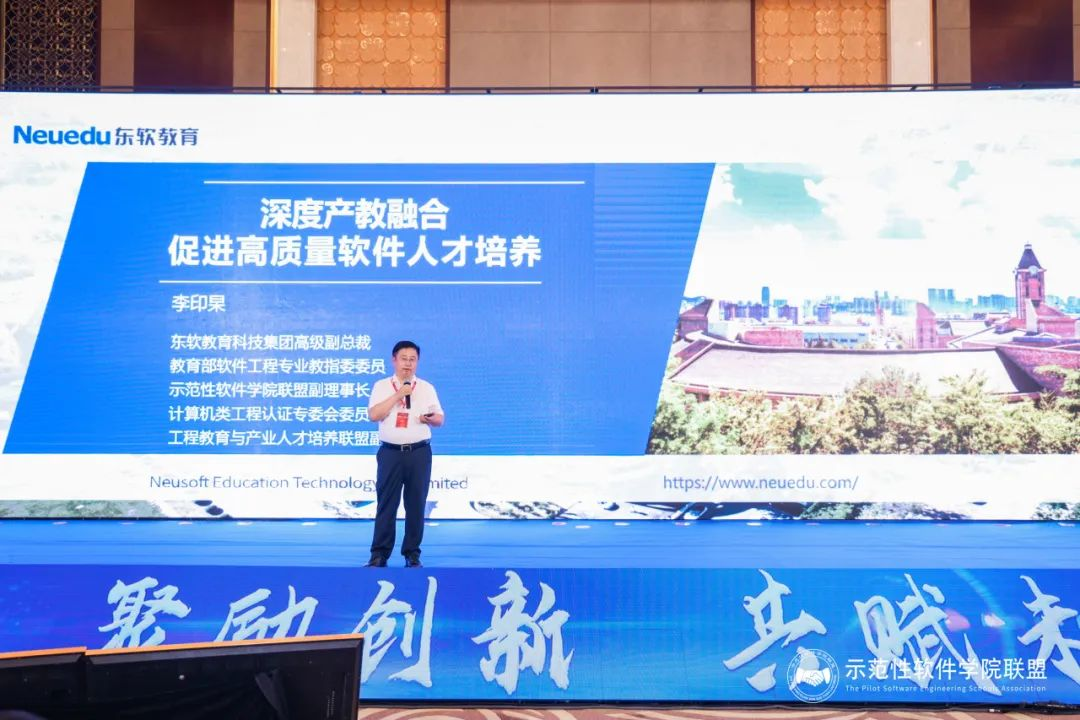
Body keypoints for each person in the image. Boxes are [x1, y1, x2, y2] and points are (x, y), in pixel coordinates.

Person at [365, 340, 444, 567]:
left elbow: (440, 419)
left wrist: (431, 418)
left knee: (416, 504)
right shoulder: (381, 386)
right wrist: (399, 394)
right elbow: (374, 415)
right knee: (386, 504)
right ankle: (379, 555)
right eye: (404, 359)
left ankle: (412, 554)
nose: (408, 364)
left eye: (413, 359)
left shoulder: (426, 388)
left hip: (419, 453)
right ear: (394, 360)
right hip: (390, 453)